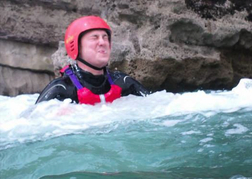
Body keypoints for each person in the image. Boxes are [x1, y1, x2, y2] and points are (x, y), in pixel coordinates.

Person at [36, 16, 150, 105]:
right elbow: (31, 123)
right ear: (76, 46)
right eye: (94, 37)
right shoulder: (61, 89)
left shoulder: (124, 82)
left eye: (105, 37)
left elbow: (158, 107)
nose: (103, 42)